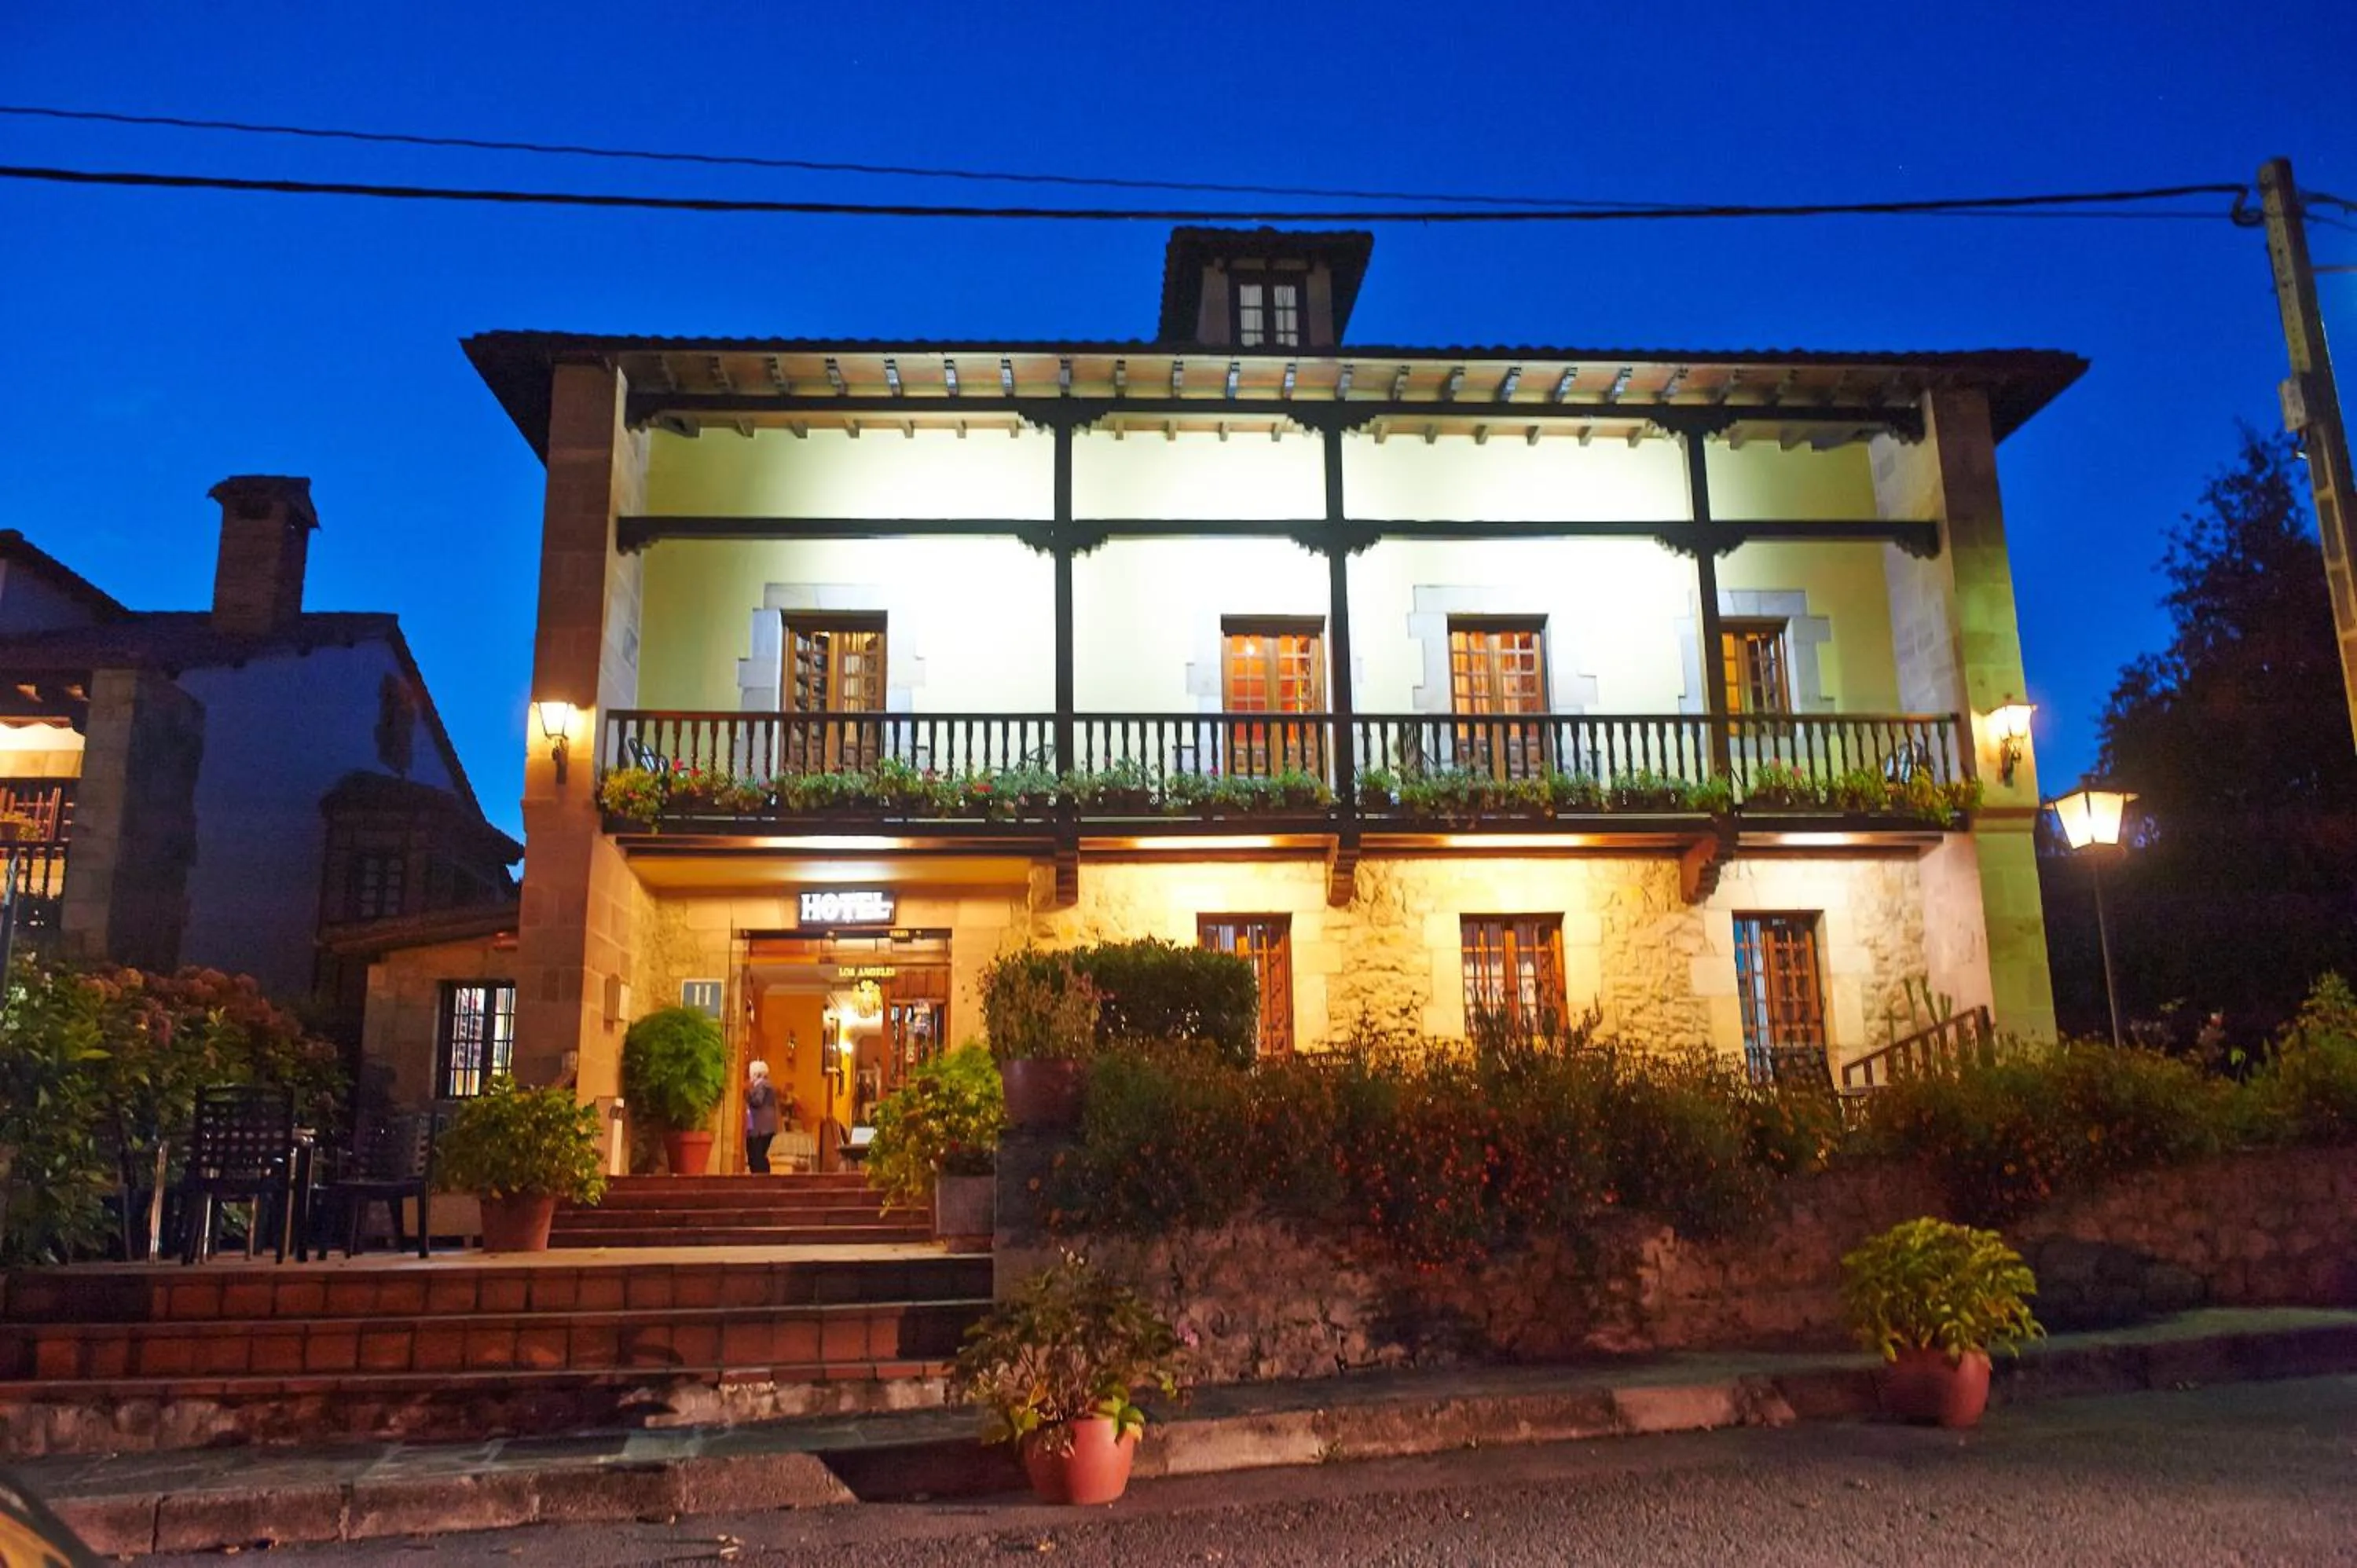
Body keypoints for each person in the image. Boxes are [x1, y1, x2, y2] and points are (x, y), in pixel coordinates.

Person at [745, 1060, 780, 1175]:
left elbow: (757, 1101)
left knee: (756, 1155)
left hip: (761, 1128)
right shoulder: (766, 1085)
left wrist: (747, 1094)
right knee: (758, 1154)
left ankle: (761, 1180)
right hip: (764, 1127)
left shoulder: (762, 1085)